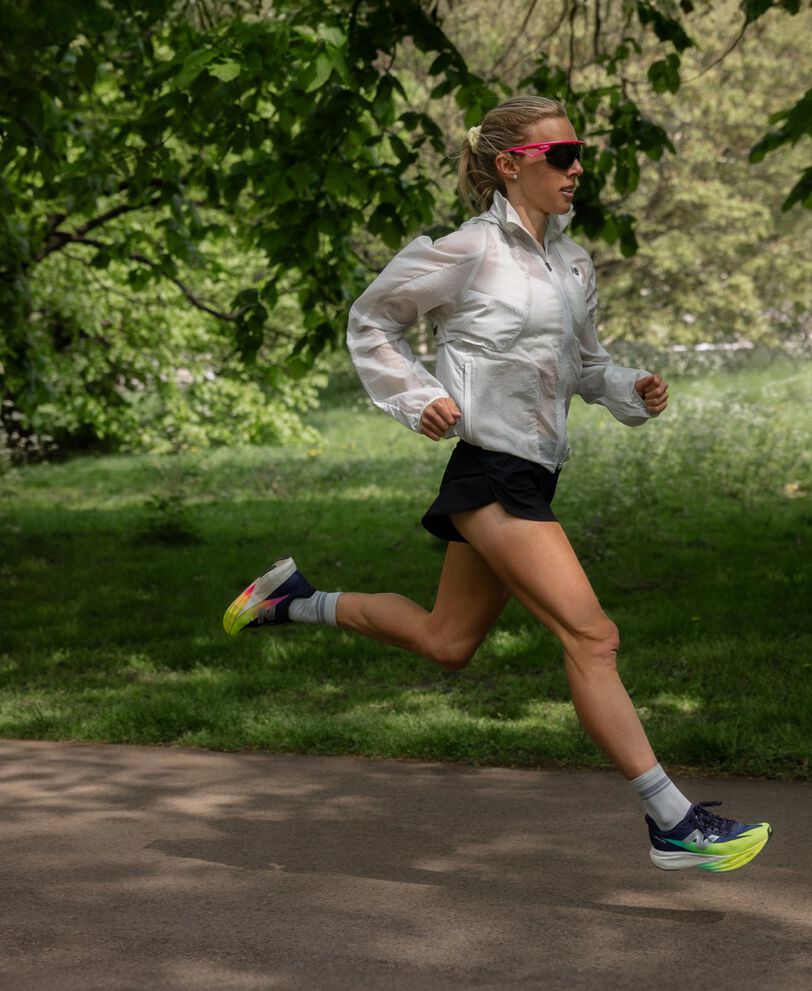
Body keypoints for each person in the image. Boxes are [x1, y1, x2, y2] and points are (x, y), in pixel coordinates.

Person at [224, 96, 772, 873]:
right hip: (489, 467)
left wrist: (631, 387)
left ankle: (292, 599)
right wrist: (418, 396)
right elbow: (371, 320)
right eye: (561, 155)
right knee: (593, 637)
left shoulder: (572, 263)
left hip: (532, 470)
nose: (576, 169)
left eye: (579, 155)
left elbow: (584, 365)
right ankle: (673, 821)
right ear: (511, 165)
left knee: (447, 642)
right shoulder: (467, 249)